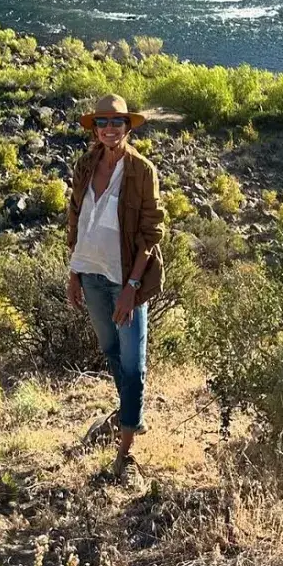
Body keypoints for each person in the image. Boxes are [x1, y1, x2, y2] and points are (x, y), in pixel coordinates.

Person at [66, 93, 165, 477]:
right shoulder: (86, 165)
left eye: (117, 123)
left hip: (126, 280)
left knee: (132, 362)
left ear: (127, 127)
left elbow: (151, 233)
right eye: (102, 123)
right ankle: (130, 415)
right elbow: (76, 219)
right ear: (95, 129)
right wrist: (74, 273)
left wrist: (132, 286)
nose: (110, 129)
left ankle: (125, 453)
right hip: (91, 273)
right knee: (110, 350)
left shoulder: (142, 172)